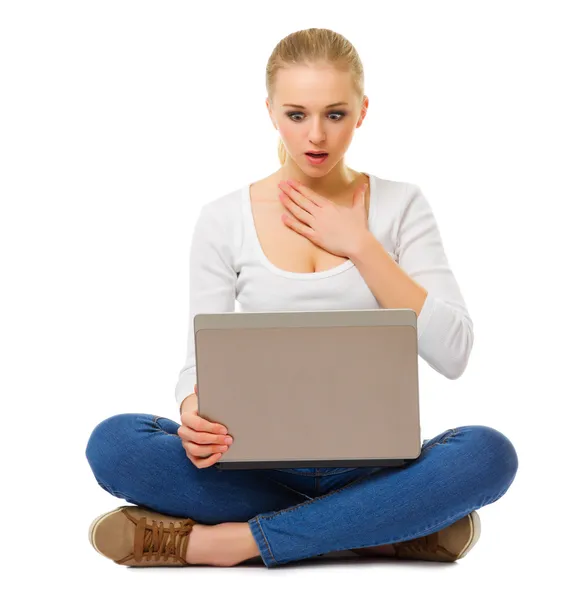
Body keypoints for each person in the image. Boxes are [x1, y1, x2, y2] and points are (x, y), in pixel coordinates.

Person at [85, 27, 519, 569]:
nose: (316, 136)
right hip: (254, 465)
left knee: (488, 454)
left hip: (375, 467)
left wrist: (362, 247)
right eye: (297, 115)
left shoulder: (402, 207)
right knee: (115, 443)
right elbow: (199, 362)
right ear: (270, 111)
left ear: (361, 111)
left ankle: (235, 542)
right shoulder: (224, 219)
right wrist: (193, 410)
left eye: (335, 114)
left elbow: (454, 353)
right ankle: (381, 528)